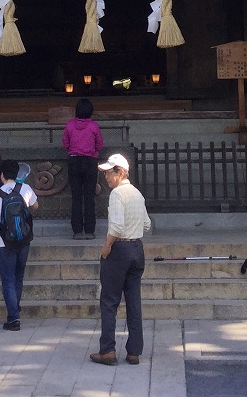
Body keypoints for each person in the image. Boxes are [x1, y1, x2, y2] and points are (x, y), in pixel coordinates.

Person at [90, 153, 150, 367]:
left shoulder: (117, 194)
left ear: (121, 172)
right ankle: (134, 351)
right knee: (134, 300)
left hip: (119, 249)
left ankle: (107, 350)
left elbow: (115, 226)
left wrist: (106, 247)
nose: (106, 177)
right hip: (137, 248)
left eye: (109, 172)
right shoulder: (137, 194)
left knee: (109, 301)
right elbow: (146, 224)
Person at [0, 158, 38, 331]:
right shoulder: (26, 189)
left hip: (4, 241)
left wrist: (2, 221)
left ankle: (13, 317)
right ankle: (15, 308)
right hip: (24, 239)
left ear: (1, 176)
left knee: (7, 279)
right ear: (17, 175)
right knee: (19, 276)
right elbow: (35, 206)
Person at [61, 98, 103, 240]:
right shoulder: (94, 126)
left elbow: (65, 143)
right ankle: (90, 230)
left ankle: (77, 230)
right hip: (90, 161)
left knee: (76, 197)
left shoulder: (70, 125)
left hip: (74, 161)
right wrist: (94, 153)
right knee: (89, 197)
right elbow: (99, 144)